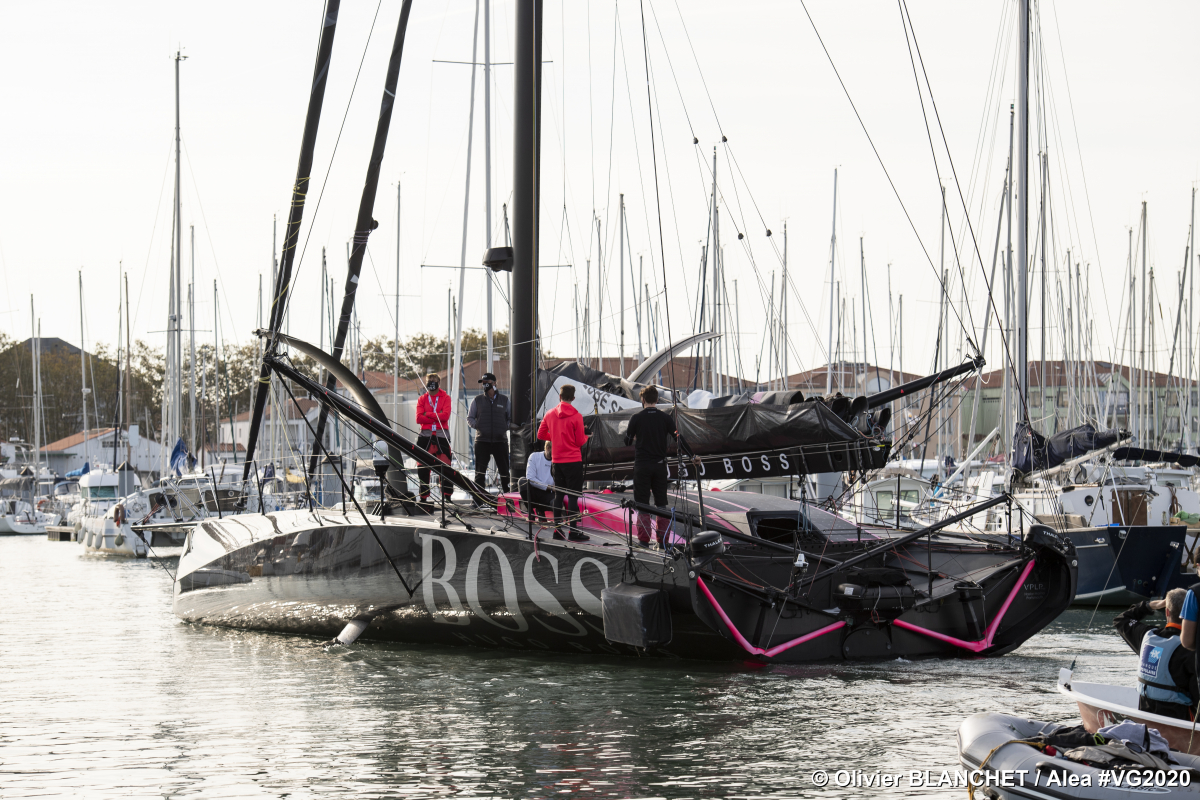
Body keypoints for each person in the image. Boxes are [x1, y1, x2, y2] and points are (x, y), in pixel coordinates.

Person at [623, 385, 697, 547]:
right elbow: (679, 438)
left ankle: (643, 541)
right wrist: (692, 456)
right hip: (659, 467)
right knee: (661, 504)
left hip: (642, 466)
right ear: (656, 400)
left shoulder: (636, 418)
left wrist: (636, 437)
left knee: (642, 503)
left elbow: (627, 441)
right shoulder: (665, 418)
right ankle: (662, 542)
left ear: (643, 400)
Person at [1114, 588, 1197, 721]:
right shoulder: (1191, 648)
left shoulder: (1146, 637)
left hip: (1146, 718)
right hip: (1180, 722)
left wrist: (1149, 605)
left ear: (1167, 611)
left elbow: (1121, 619)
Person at [536, 384, 590, 542]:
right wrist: (587, 436)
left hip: (557, 461)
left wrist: (557, 438)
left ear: (559, 397)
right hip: (573, 461)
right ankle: (573, 532)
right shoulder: (577, 416)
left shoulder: (550, 414)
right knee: (573, 497)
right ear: (573, 398)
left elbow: (541, 434)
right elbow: (580, 441)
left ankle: (557, 531)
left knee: (558, 495)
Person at [467, 372, 511, 494]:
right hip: (482, 441)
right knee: (479, 474)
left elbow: (510, 418)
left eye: (487, 383)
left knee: (504, 473)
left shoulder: (504, 400)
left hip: (500, 441)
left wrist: (504, 427)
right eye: (483, 383)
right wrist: (478, 426)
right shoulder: (477, 400)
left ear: (494, 383)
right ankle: (478, 500)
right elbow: (470, 418)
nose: (485, 385)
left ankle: (508, 499)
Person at [415, 373, 451, 502]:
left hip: (442, 434)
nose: (431, 382)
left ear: (438, 383)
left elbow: (445, 416)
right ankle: (423, 497)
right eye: (429, 380)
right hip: (425, 434)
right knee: (422, 466)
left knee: (445, 466)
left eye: (434, 380)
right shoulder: (422, 399)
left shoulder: (446, 397)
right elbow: (418, 418)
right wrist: (437, 414)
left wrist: (428, 414)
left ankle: (447, 496)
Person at [522, 441, 555, 524]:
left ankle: (542, 511)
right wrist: (550, 487)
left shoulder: (558, 460)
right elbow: (530, 478)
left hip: (550, 494)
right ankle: (531, 513)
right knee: (522, 482)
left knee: (557, 503)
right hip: (535, 492)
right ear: (548, 448)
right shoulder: (534, 456)